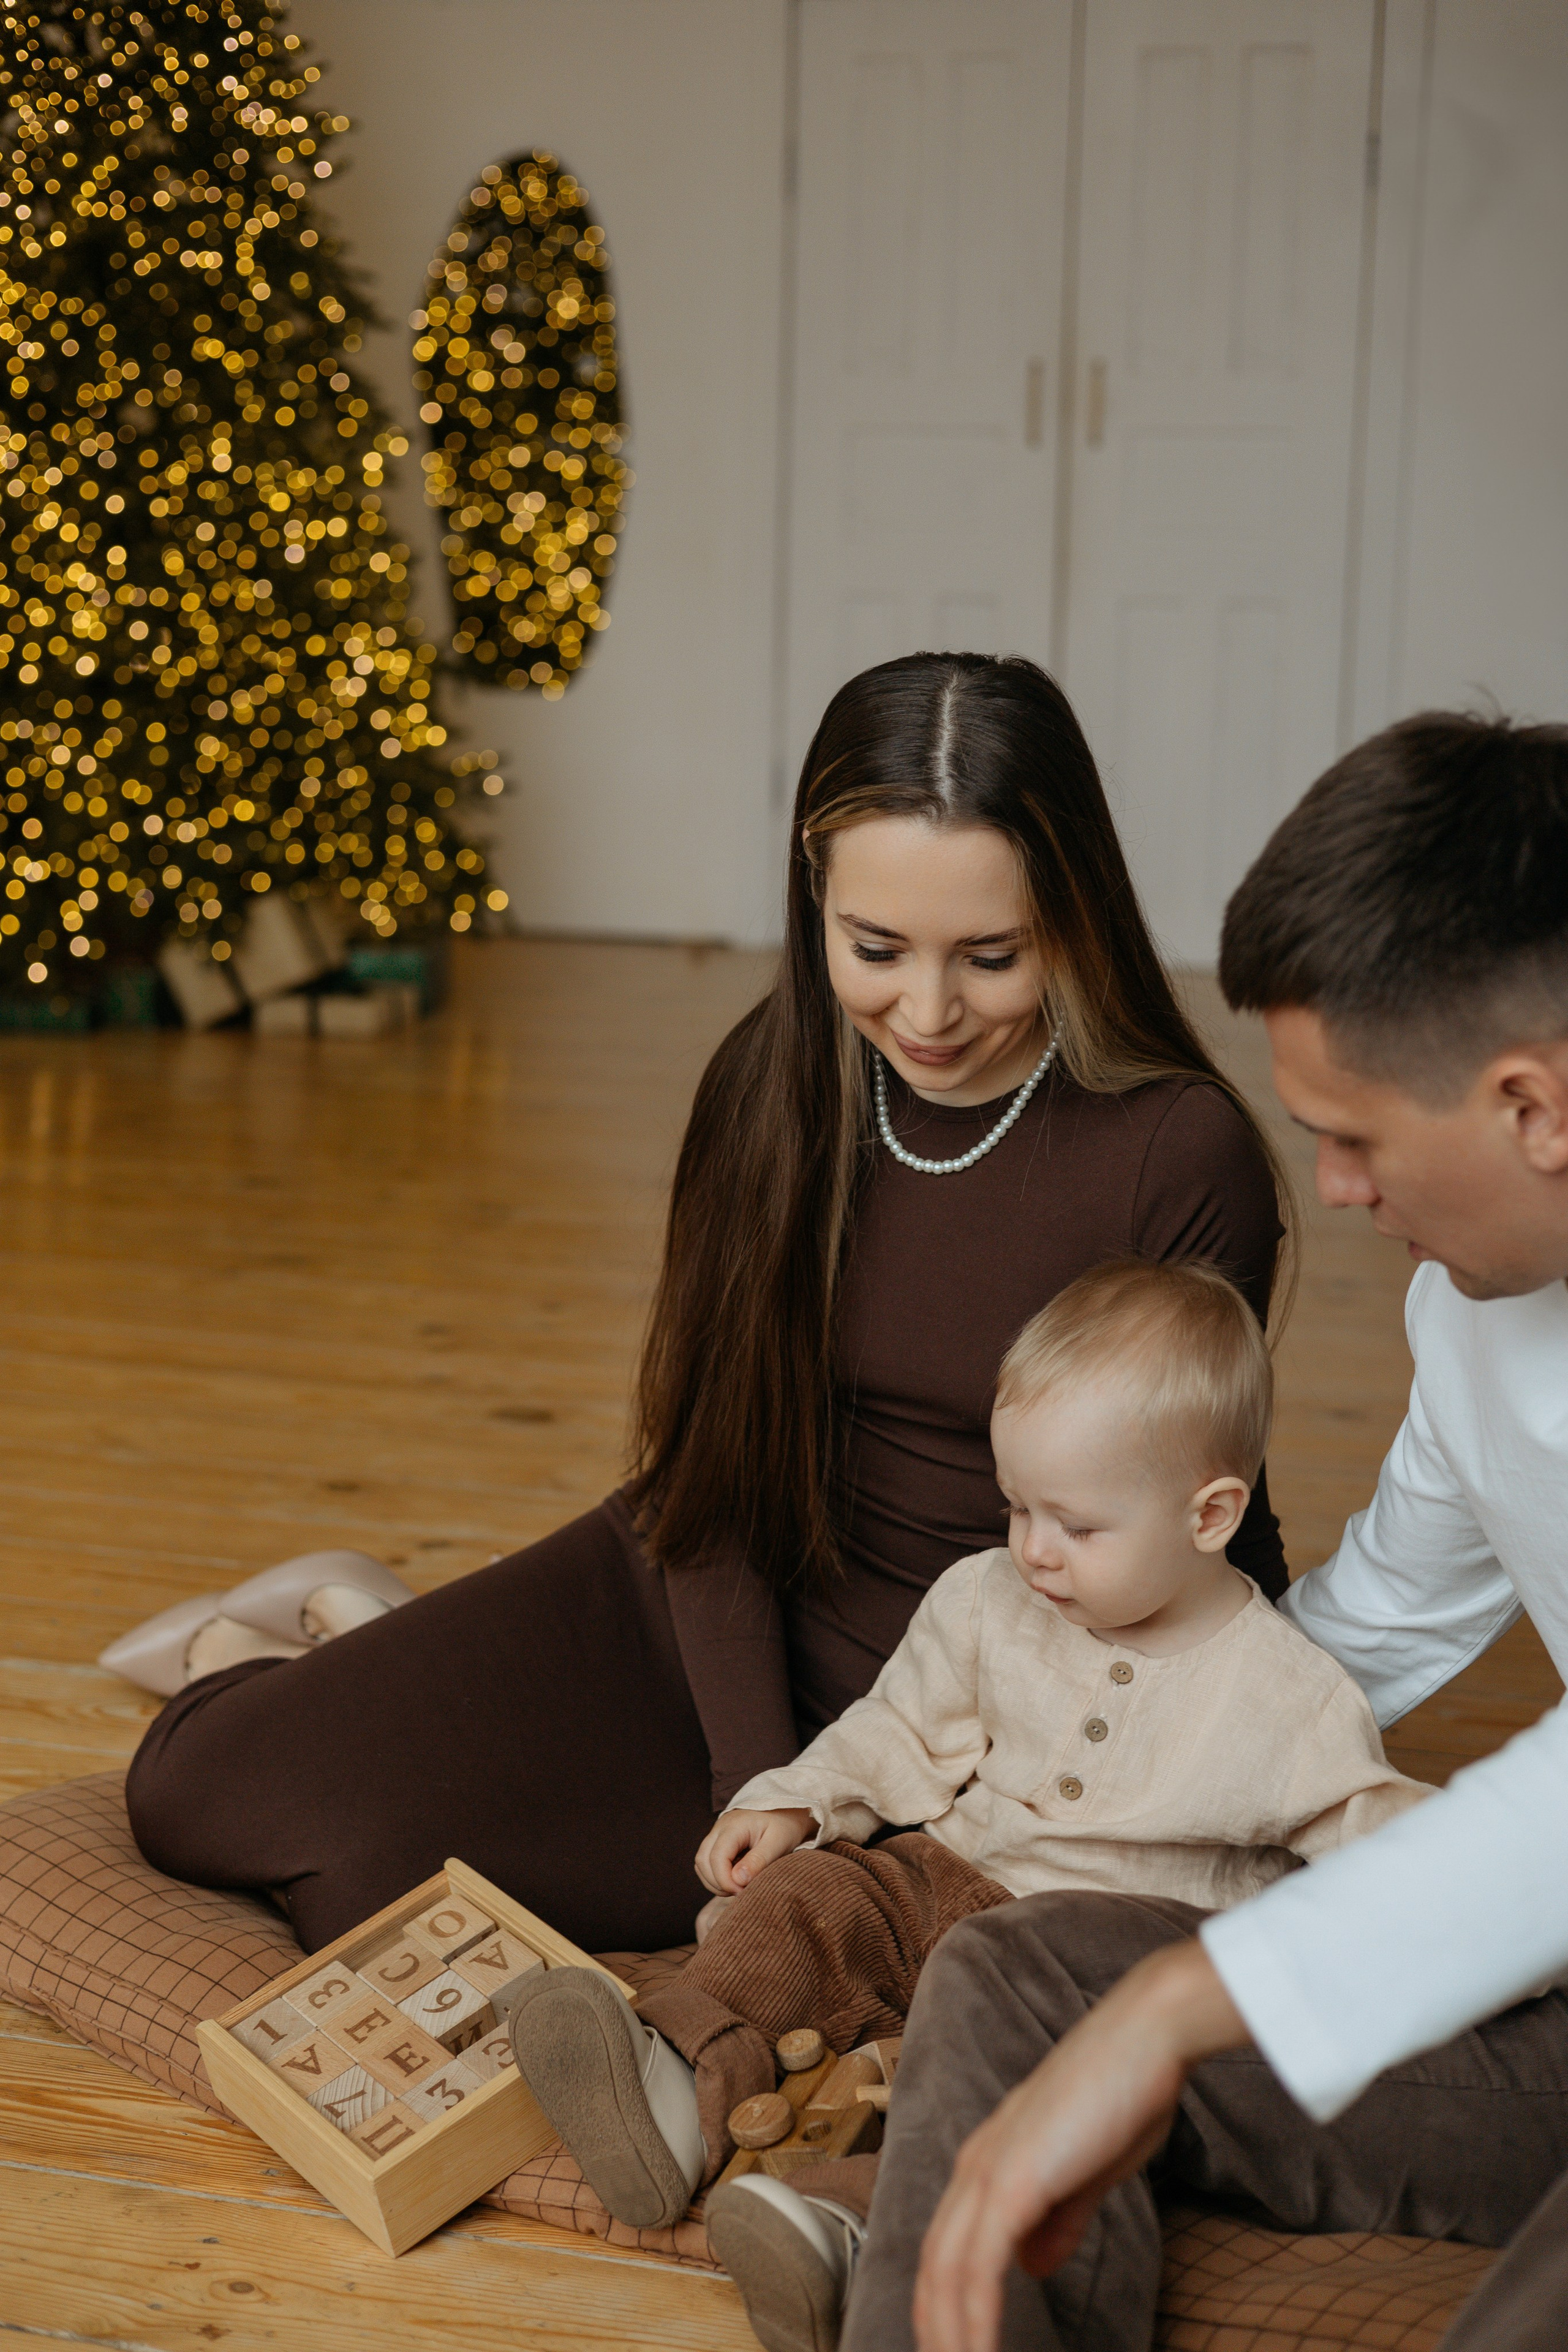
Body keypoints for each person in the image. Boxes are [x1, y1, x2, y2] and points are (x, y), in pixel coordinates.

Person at [119, 652, 1291, 1958]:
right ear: (814, 905)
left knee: (364, 1898)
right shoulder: (768, 1094)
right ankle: (316, 1635)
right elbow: (712, 1487)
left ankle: (369, 1632)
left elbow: (1192, 1530)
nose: (929, 1010)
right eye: (876, 948)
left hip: (967, 1719)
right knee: (200, 1795)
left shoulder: (1176, 1155)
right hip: (710, 1610)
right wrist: (759, 1787)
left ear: (1072, 915)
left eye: (991, 955)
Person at [839, 709, 1568, 2352]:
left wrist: (1192, 1996)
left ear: (1533, 1105)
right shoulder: (1474, 1307)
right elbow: (1374, 1617)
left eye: (1357, 1135)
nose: (1331, 1187)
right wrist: (1122, 1698)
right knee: (1026, 1978)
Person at [502, 1261, 1424, 2345]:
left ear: (1211, 1513)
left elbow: (1380, 1838)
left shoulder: (1288, 1698)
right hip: (943, 1877)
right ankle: (679, 2083)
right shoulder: (989, 1600)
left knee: (1011, 2103)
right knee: (815, 1902)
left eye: (1076, 1525)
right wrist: (801, 1804)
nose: (1033, 1547)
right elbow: (898, 1728)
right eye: (1017, 1506)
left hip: (1094, 1965)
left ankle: (845, 2230)